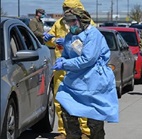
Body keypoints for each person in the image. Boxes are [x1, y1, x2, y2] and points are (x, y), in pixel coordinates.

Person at [53, 8, 119, 139]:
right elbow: (67, 54)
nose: (70, 25)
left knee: (94, 119)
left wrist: (65, 64)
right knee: (66, 109)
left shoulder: (93, 35)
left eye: (73, 21)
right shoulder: (70, 36)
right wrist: (62, 59)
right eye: (68, 22)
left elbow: (87, 59)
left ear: (82, 21)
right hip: (74, 81)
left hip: (93, 80)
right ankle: (73, 136)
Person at [43, 1, 96, 139]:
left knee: (82, 100)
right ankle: (64, 132)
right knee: (61, 102)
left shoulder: (88, 23)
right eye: (64, 9)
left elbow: (88, 45)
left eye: (68, 8)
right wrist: (50, 39)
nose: (65, 11)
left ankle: (85, 131)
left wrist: (66, 42)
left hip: (80, 69)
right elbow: (50, 39)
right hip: (62, 68)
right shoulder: (59, 23)